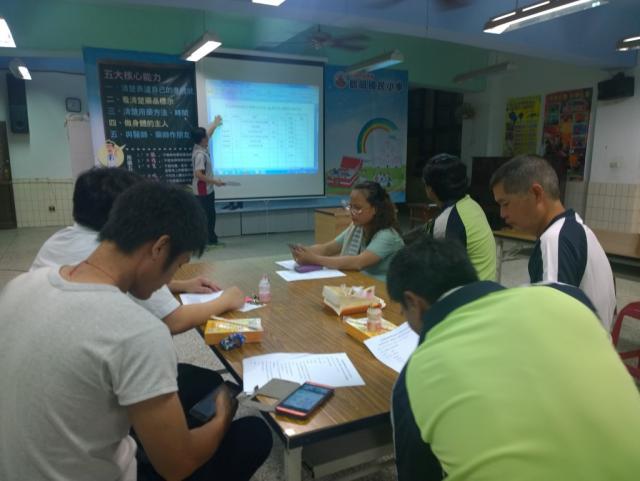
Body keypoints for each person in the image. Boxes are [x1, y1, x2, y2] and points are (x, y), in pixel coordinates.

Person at [0, 182, 272, 481]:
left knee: (193, 384)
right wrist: (223, 414)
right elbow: (178, 466)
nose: (169, 281)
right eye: (178, 265)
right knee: (254, 434)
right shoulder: (139, 332)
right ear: (160, 248)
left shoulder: (22, 285)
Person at [387, 238, 640, 481]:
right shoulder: (567, 297)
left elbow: (417, 474)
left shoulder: (413, 379)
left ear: (413, 302)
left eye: (402, 309)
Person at [31, 167, 245, 335]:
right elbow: (173, 320)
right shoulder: (116, 251)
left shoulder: (59, 239)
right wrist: (226, 300)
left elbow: (127, 283)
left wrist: (181, 285)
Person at [490, 154, 616, 329]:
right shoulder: (575, 227)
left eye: (505, 204)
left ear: (536, 194)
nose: (502, 214)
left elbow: (551, 327)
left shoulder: (554, 241)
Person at [291, 181, 404, 280]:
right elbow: (328, 248)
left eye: (357, 208)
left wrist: (314, 259)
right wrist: (304, 251)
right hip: (363, 283)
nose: (352, 212)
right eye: (351, 206)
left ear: (375, 209)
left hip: (384, 290)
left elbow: (358, 262)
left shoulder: (387, 235)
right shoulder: (357, 227)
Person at [421, 153, 496, 280]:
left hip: (468, 291)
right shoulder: (471, 205)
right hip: (485, 286)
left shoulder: (446, 220)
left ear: (430, 189)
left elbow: (440, 274)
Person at [192, 115, 225, 246]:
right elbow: (199, 174)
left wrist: (215, 124)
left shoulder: (199, 147)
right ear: (202, 140)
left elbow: (209, 134)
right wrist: (215, 182)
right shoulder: (200, 155)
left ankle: (211, 239)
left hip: (207, 190)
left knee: (210, 215)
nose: (208, 137)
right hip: (203, 191)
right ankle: (207, 240)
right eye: (205, 136)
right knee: (207, 216)